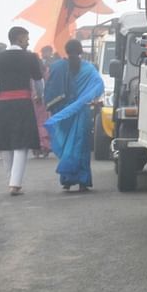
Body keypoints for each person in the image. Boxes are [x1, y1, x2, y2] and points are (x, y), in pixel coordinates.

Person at [0, 27, 44, 195]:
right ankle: (15, 183)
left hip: (3, 103)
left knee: (5, 142)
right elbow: (39, 83)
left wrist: (2, 95)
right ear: (19, 39)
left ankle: (11, 180)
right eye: (26, 38)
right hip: (23, 103)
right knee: (22, 142)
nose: (28, 41)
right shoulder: (31, 57)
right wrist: (39, 96)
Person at [43, 39, 105, 191]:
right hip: (81, 112)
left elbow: (49, 90)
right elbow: (99, 86)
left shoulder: (56, 67)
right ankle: (83, 181)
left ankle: (67, 180)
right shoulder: (89, 69)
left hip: (63, 113)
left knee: (67, 146)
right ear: (81, 51)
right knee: (81, 146)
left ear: (66, 50)